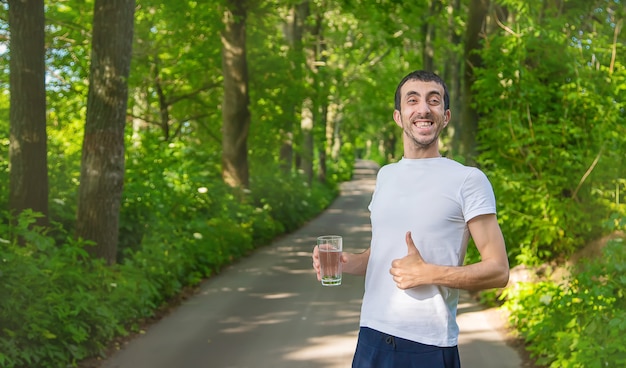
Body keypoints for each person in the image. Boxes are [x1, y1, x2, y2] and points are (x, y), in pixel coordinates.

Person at [312, 70, 510, 368]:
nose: (423, 108)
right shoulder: (385, 175)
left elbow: (498, 271)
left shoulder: (468, 180)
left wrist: (429, 274)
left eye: (433, 100)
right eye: (412, 99)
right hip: (371, 337)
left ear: (445, 116)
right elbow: (384, 253)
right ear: (398, 116)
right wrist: (349, 262)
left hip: (426, 346)